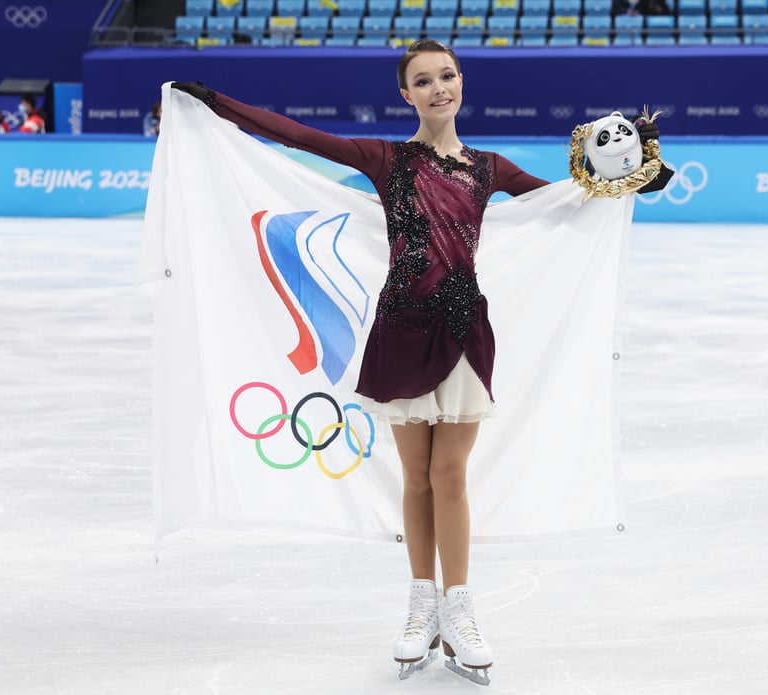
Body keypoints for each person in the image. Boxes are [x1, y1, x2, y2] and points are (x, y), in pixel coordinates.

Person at [170, 38, 669, 686]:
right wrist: (213, 104)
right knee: (416, 478)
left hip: (464, 331)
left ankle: (459, 608)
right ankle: (420, 603)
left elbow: (563, 205)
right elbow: (296, 135)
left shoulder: (488, 167)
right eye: (425, 80)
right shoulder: (386, 159)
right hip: (403, 328)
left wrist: (630, 180)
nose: (440, 88)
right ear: (405, 94)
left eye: (449, 76)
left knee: (451, 474)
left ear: (463, 83)